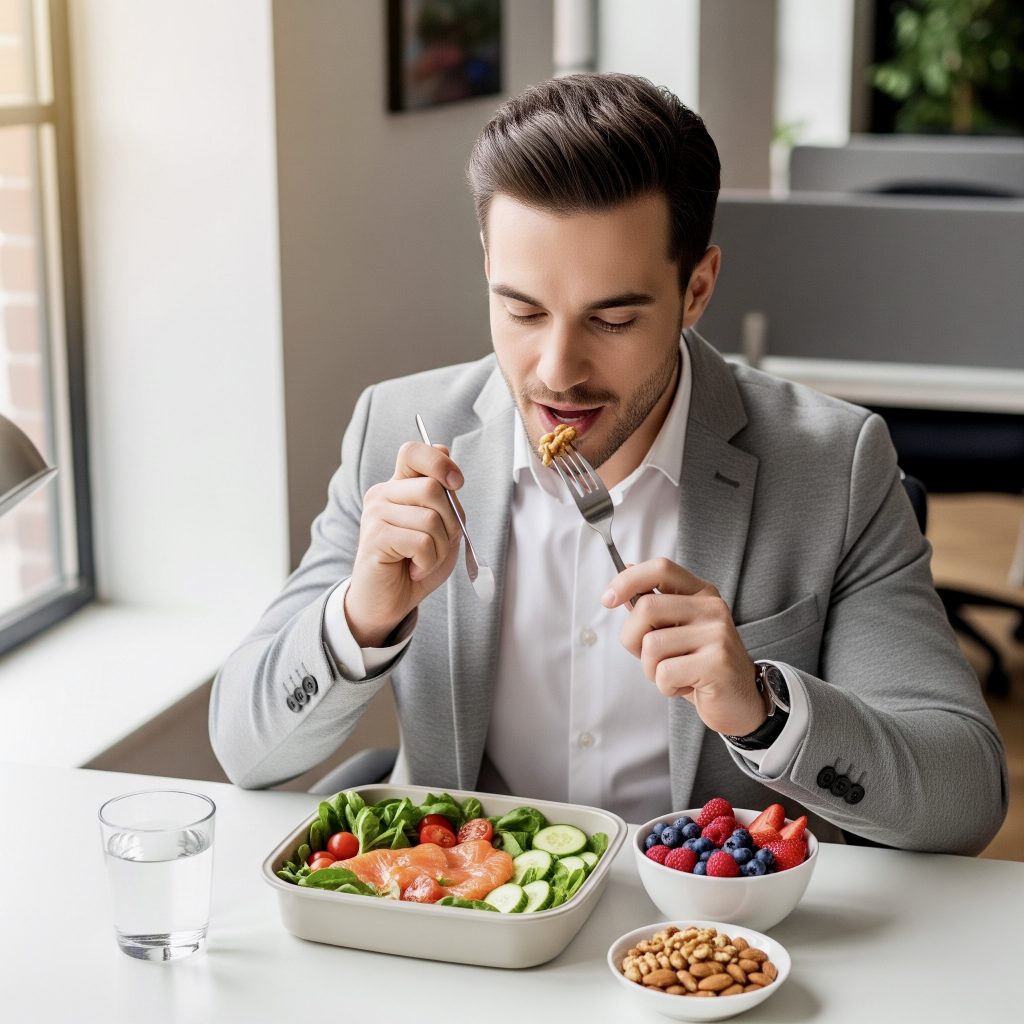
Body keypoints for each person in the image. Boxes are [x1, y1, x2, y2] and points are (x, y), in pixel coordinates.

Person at [210, 73, 1006, 852]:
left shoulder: (832, 465)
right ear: (486, 261)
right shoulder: (398, 428)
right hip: (468, 923)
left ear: (696, 290)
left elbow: (965, 796)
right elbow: (244, 749)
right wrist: (360, 618)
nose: (557, 370)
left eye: (614, 319)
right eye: (521, 310)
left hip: (706, 949)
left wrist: (763, 710)